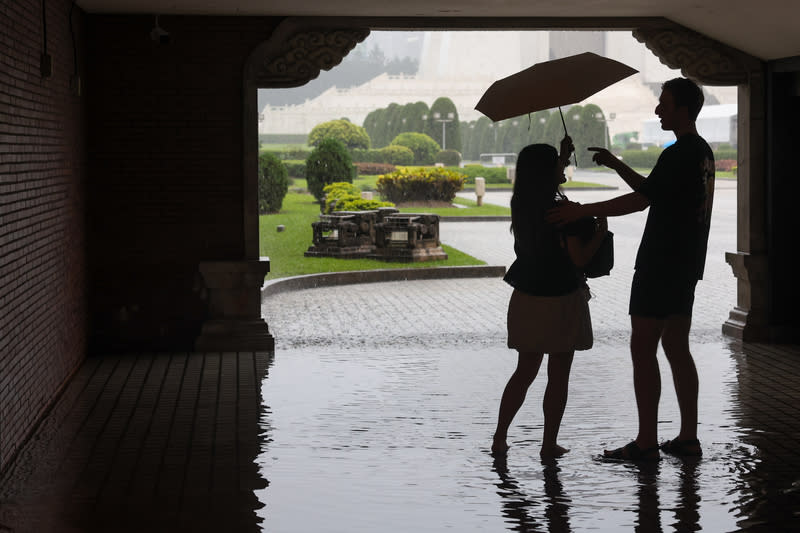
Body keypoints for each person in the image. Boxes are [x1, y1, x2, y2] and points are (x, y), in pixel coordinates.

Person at [547, 77, 715, 461]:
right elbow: (653, 190)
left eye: (665, 104)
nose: (658, 110)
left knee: (643, 348)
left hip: (660, 263)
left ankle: (645, 442)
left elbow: (641, 202)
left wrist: (582, 210)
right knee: (676, 348)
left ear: (683, 110)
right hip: (686, 264)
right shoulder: (700, 152)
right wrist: (614, 162)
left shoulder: (679, 153)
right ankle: (688, 437)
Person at [492, 136, 609, 458]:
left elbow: (548, 171)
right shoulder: (562, 213)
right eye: (559, 163)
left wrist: (563, 154)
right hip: (559, 297)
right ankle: (548, 443)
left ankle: (500, 437)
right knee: (559, 374)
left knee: (524, 371)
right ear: (547, 171)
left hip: (527, 294)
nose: (565, 166)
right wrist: (599, 231)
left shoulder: (523, 204)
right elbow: (580, 258)